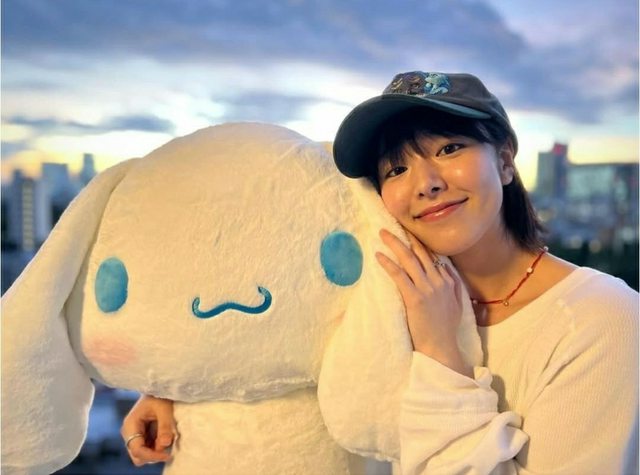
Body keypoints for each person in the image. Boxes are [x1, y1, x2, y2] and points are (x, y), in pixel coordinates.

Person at [121, 71, 639, 474]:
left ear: (505, 160)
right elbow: (273, 333)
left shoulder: (601, 320)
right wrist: (176, 392)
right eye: (396, 169)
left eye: (449, 148)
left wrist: (441, 355)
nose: (426, 182)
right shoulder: (383, 300)